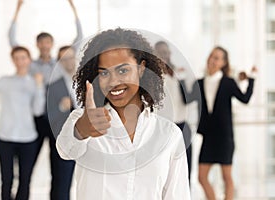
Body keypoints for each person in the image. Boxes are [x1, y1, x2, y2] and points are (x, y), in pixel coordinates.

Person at [56, 28, 191, 200]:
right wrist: (82, 129)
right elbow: (65, 150)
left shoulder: (169, 135)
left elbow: (177, 196)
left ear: (141, 68)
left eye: (123, 71)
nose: (113, 82)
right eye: (104, 73)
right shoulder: (84, 120)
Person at [8, 1, 83, 199]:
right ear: (37, 45)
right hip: (37, 119)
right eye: (41, 43)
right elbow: (13, 41)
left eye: (48, 42)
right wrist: (17, 10)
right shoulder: (31, 65)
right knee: (27, 166)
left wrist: (73, 9)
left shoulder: (59, 63)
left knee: (58, 165)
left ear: (51, 43)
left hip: (56, 119)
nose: (45, 45)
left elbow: (79, 40)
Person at [179, 46, 256, 200]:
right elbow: (186, 99)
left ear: (223, 63)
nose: (212, 60)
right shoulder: (199, 83)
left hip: (225, 137)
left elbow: (245, 98)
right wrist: (181, 78)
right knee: (201, 176)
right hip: (208, 137)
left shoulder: (228, 82)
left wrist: (252, 78)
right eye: (211, 56)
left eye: (217, 58)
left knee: (226, 177)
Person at [0, 47, 45, 200]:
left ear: (29, 60)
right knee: (6, 179)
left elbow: (38, 110)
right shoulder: (5, 81)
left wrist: (39, 87)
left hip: (28, 138)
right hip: (5, 137)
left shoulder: (34, 83)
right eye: (17, 58)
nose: (20, 61)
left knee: (25, 180)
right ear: (13, 60)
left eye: (23, 58)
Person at [154, 41, 193, 182]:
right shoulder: (152, 76)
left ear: (170, 54)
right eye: (160, 52)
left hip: (182, 126)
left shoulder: (178, 72)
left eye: (166, 51)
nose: (164, 55)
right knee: (165, 172)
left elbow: (188, 99)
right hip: (163, 127)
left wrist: (183, 79)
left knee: (185, 171)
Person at [46, 46, 77, 200]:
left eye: (71, 57)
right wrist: (60, 107)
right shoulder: (54, 86)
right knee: (61, 185)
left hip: (92, 142)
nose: (69, 61)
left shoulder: (89, 81)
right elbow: (48, 116)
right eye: (64, 59)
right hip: (65, 142)